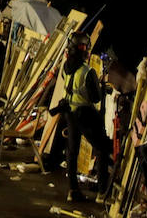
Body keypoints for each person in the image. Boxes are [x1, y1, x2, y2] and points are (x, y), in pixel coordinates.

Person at [50, 31, 112, 203]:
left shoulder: (66, 67)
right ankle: (102, 193)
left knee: (72, 151)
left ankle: (73, 190)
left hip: (69, 112)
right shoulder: (88, 71)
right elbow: (95, 98)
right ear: (85, 50)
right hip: (84, 113)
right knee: (102, 148)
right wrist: (101, 87)